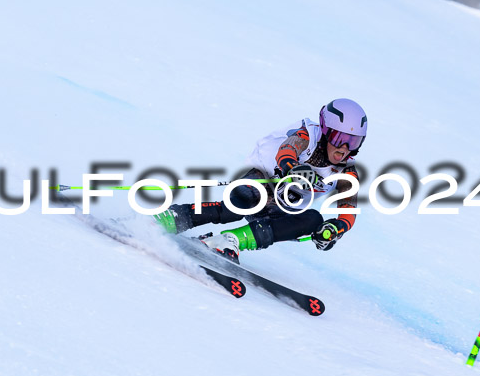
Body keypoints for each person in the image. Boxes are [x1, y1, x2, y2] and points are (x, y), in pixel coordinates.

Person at [154, 98, 367, 263]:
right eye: (340, 139)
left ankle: (230, 240)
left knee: (313, 220)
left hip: (282, 207)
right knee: (240, 205)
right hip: (260, 181)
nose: (344, 149)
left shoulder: (346, 172)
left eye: (353, 142)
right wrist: (292, 169)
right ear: (325, 132)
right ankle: (174, 217)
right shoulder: (308, 136)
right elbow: (287, 150)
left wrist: (336, 228)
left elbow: (349, 210)